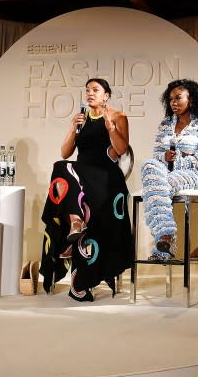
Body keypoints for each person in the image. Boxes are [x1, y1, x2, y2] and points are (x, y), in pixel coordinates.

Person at [41, 78, 133, 302]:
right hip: (82, 176)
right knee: (61, 166)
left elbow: (122, 149)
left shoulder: (118, 117)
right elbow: (65, 153)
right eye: (87, 90)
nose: (90, 94)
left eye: (95, 90)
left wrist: (110, 126)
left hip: (106, 177)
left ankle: (74, 235)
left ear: (106, 95)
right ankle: (76, 221)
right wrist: (73, 128)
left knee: (66, 174)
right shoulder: (81, 119)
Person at [140, 79, 198, 260]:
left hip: (194, 175)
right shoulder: (165, 124)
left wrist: (179, 162)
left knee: (158, 185)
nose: (174, 102)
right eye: (171, 99)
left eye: (178, 98)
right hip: (166, 171)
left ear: (191, 99)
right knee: (149, 165)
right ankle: (166, 237)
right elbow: (157, 153)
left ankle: (164, 240)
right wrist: (163, 157)